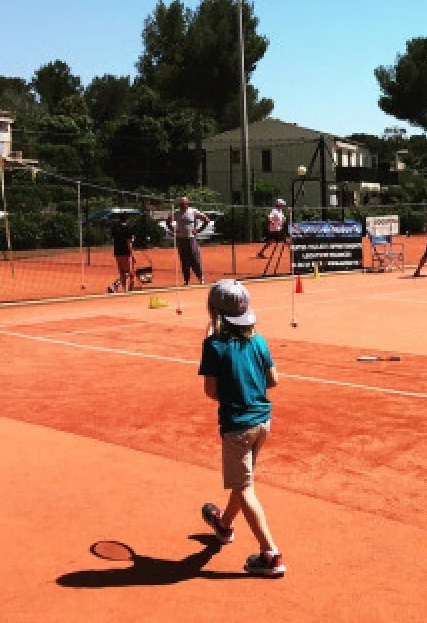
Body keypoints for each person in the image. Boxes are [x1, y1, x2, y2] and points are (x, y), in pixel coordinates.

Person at [198, 279, 286, 577]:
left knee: (245, 487)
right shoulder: (259, 341)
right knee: (242, 480)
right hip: (263, 423)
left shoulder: (214, 345)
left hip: (237, 427)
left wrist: (211, 345)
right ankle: (223, 525)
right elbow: (273, 380)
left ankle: (270, 554)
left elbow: (211, 391)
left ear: (215, 313)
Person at [166, 196, 210, 285]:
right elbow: (168, 221)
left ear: (187, 203)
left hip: (191, 239)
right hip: (181, 239)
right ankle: (186, 280)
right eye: (181, 204)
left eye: (184, 203)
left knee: (195, 258)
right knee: (184, 260)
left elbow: (206, 220)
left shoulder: (193, 211)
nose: (182, 205)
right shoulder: (177, 213)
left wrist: (198, 230)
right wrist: (173, 230)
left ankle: (200, 278)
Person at [107, 212, 136, 293]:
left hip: (117, 251)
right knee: (128, 273)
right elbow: (129, 243)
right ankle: (114, 285)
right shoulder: (127, 229)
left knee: (122, 272)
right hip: (125, 252)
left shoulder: (115, 228)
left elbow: (114, 239)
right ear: (126, 219)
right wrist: (132, 254)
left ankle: (124, 290)